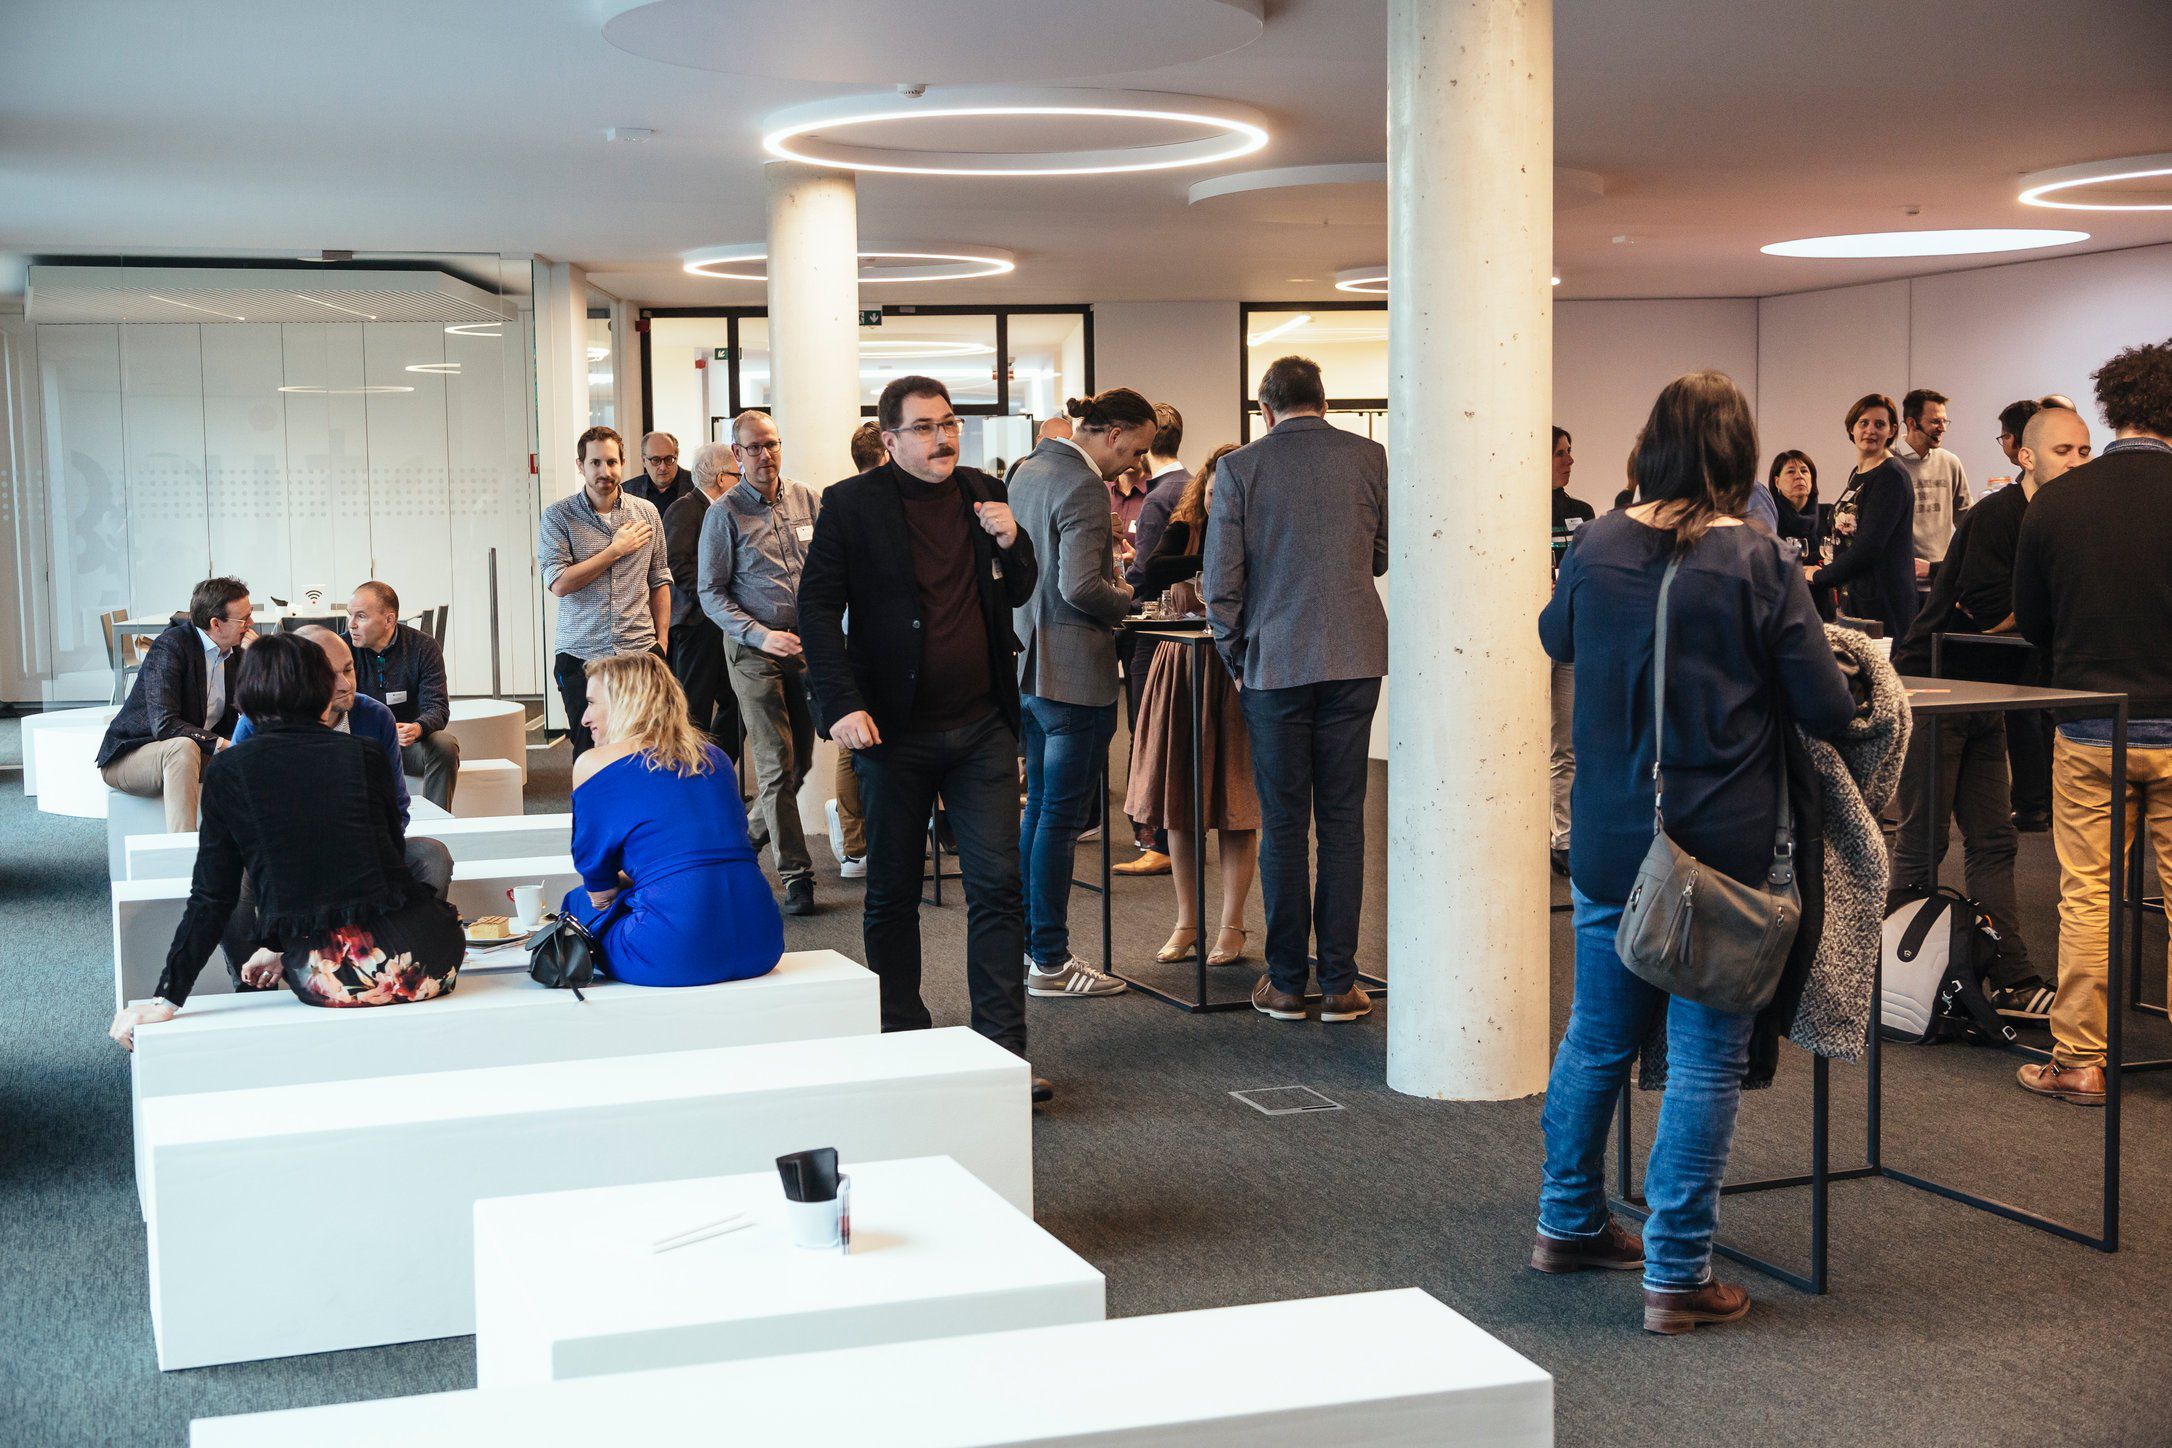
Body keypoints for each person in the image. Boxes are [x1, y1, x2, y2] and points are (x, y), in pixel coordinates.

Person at [1534, 370, 1857, 1335]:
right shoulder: (1759, 560)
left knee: (1597, 1035)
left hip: (1610, 836)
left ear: (1651, 446)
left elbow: (1556, 636)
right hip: (1720, 848)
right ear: (1738, 455)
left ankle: (1566, 1223)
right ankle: (1677, 1274)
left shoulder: (1595, 542)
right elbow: (1827, 709)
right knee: (1707, 1058)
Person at [797, 375, 1047, 1099]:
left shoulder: (982, 492)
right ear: (890, 439)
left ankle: (1001, 1055)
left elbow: (1018, 588)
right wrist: (840, 704)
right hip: (891, 731)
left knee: (998, 888)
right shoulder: (851, 505)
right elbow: (817, 610)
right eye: (926, 428)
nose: (943, 439)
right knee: (893, 892)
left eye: (950, 424)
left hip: (981, 727)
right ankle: (902, 1043)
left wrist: (1015, 540)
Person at [108, 634, 466, 1049]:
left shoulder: (230, 770)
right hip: (432, 960)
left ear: (249, 692)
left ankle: (254, 991)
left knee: (243, 880)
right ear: (318, 691)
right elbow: (383, 867)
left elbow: (212, 897)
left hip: (334, 977)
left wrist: (167, 998)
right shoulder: (364, 753)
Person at [1887, 407, 2094, 1023]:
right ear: (2026, 457)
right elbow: (1988, 610)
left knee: (1995, 840)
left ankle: (2010, 976)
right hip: (1936, 686)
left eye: (2085, 452)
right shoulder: (1999, 515)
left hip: (1986, 692)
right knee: (1923, 839)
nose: (2077, 463)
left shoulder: (2057, 517)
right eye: (2063, 451)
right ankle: (1901, 982)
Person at [2012, 339, 2172, 1106]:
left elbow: (2033, 623)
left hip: (2090, 724)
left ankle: (2078, 1061)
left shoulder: (2057, 501)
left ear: (2112, 409)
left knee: (2088, 896)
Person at [1203, 356, 1387, 1023]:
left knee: (1283, 823)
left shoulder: (1239, 468)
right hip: (1354, 657)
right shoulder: (1370, 457)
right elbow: (1382, 554)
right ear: (1325, 401)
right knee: (1342, 821)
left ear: (1264, 409)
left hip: (1273, 662)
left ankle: (1285, 984)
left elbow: (1220, 584)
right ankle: (1339, 984)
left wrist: (1236, 656)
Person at [1010, 388, 1154, 998]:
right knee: (1058, 821)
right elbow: (1080, 588)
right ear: (1113, 434)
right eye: (1137, 450)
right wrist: (1129, 599)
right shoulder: (1085, 484)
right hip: (1073, 673)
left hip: (1029, 666)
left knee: (1039, 811)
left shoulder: (1028, 469)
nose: (1136, 465)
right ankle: (1050, 960)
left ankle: (1030, 946)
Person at [223, 624, 456, 984]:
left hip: (359, 854)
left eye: (348, 669)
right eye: (330, 675)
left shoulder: (375, 717)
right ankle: (251, 984)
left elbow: (396, 808)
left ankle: (384, 963)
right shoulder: (257, 724)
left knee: (431, 857)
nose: (346, 683)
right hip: (285, 861)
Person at [559, 651, 783, 986]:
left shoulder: (594, 764)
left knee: (576, 904)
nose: (584, 718)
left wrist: (631, 881)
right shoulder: (716, 757)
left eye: (592, 703)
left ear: (624, 703)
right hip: (762, 940)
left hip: (675, 953)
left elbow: (599, 889)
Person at [1127, 444, 1259, 966]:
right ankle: (1186, 922)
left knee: (1236, 804)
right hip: (1181, 668)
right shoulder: (1187, 529)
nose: (1216, 499)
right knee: (1178, 801)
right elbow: (1151, 571)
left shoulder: (1260, 533)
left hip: (1234, 673)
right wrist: (1216, 556)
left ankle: (1232, 925)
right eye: (1211, 490)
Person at [697, 410, 823, 916]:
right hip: (753, 649)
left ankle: (741, 842)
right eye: (754, 447)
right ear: (737, 453)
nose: (765, 455)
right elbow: (710, 592)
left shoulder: (807, 499)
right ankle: (797, 876)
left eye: (771, 444)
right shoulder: (723, 513)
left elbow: (827, 569)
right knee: (774, 762)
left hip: (805, 648)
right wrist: (761, 635)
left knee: (800, 764)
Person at [538, 425, 672, 758]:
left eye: (612, 462)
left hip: (639, 652)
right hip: (580, 655)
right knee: (590, 751)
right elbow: (559, 583)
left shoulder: (647, 513)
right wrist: (615, 550)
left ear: (623, 463)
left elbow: (659, 580)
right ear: (580, 465)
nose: (605, 471)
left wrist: (662, 642)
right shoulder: (558, 517)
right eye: (595, 463)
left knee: (645, 750)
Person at [96, 576, 253, 832]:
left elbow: (255, 708)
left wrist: (258, 657)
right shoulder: (171, 646)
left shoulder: (234, 653)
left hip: (197, 751)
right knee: (183, 747)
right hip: (133, 755)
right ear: (216, 624)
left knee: (261, 754)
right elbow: (165, 725)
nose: (251, 624)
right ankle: (183, 848)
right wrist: (227, 745)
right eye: (244, 619)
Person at [1116, 402, 1190, 878]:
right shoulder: (1192, 484)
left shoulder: (1160, 496)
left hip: (1150, 630)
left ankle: (1154, 841)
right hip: (1183, 628)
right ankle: (1169, 837)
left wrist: (1119, 581)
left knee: (1146, 730)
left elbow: (1145, 572)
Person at [826, 423, 889, 880]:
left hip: (873, 639)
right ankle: (854, 843)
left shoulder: (847, 501)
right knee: (854, 742)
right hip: (858, 640)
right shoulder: (848, 504)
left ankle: (863, 841)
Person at [1809, 393, 1916, 641]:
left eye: (1879, 424)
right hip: (1857, 596)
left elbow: (1868, 548)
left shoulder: (1891, 475)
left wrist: (1818, 576)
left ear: (1892, 431)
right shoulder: (1858, 473)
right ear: (1851, 428)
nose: (1871, 430)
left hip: (1882, 603)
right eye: (1863, 423)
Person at [661, 442, 745, 762]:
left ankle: (715, 767)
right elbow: (676, 563)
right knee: (694, 706)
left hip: (718, 623)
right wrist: (712, 598)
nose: (741, 482)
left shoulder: (722, 510)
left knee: (737, 700)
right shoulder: (685, 508)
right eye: (737, 475)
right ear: (722, 478)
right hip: (696, 623)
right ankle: (689, 772)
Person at [345, 580, 460, 810]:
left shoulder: (423, 647)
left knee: (445, 745)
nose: (351, 624)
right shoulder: (342, 648)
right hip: (360, 743)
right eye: (350, 615)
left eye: (361, 616)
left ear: (389, 620)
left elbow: (437, 707)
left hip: (407, 745)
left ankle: (438, 821)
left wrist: (417, 728)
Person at [1994, 398, 2051, 832]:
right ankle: (2041, 799)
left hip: (2030, 618)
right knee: (2040, 709)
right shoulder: (2020, 497)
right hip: (2048, 618)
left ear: (2015, 443)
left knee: (2026, 708)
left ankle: (2033, 802)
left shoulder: (2020, 502)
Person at [1548, 426, 1590, 876]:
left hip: (1570, 637)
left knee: (1566, 744)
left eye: (1569, 451)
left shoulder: (1583, 514)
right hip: (1524, 639)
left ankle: (1562, 838)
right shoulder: (1515, 510)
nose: (1570, 460)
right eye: (1561, 453)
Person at [1897, 388, 1970, 579]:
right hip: (1901, 579)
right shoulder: (1889, 463)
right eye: (1935, 421)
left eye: (1945, 421)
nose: (1943, 428)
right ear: (1912, 423)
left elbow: (1966, 519)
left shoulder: (1950, 462)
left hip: (1941, 577)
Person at [1768, 451, 1821, 561]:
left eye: (1804, 471)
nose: (1799, 476)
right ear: (1777, 482)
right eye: (1791, 472)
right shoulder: (1769, 518)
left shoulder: (1828, 515)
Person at [625, 430, 694, 514]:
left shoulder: (698, 485)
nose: (663, 467)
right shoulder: (626, 492)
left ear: (676, 456)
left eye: (668, 459)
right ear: (643, 461)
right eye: (655, 460)